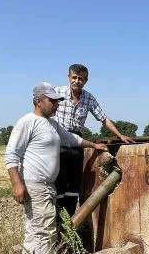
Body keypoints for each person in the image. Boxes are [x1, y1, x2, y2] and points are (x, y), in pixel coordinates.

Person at [4, 81, 108, 254]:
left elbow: (72, 139)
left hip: (47, 185)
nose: (56, 104)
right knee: (47, 231)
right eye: (52, 101)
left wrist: (94, 145)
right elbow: (11, 154)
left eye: (57, 101)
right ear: (38, 101)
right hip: (35, 183)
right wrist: (17, 184)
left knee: (34, 229)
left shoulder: (52, 125)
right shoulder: (28, 122)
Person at [54, 63, 134, 219]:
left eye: (81, 79)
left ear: (86, 80)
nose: (77, 81)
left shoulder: (88, 98)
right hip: (58, 140)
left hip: (77, 142)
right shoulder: (57, 92)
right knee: (59, 182)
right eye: (74, 77)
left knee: (74, 183)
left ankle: (70, 220)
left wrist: (120, 135)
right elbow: (43, 108)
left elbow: (103, 118)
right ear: (69, 77)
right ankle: (57, 220)